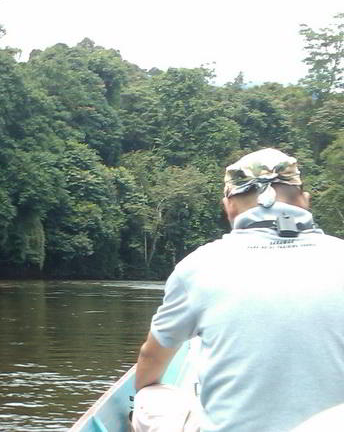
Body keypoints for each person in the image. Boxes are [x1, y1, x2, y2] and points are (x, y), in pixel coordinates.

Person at [132, 148, 344, 432]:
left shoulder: (199, 265)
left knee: (149, 397)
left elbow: (151, 358)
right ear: (304, 201)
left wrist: (139, 395)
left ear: (229, 206)